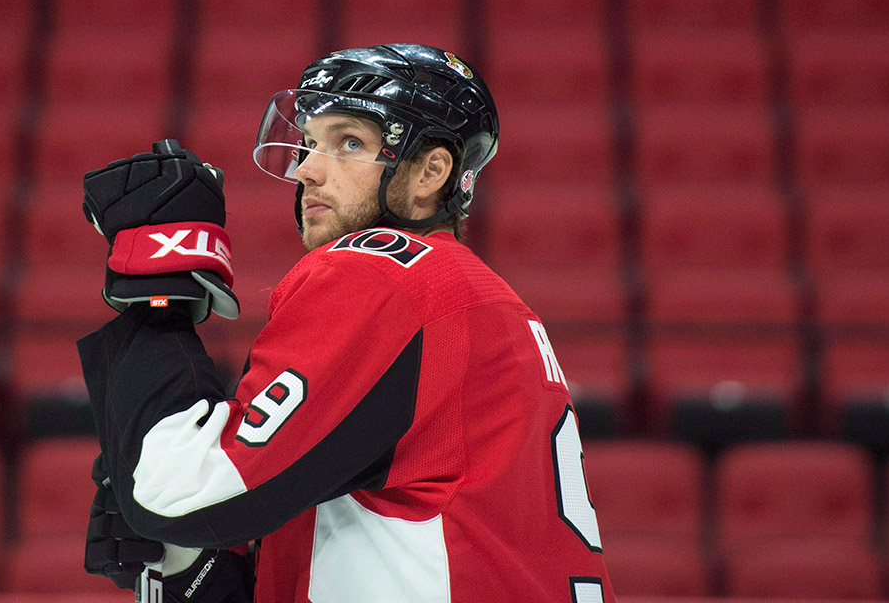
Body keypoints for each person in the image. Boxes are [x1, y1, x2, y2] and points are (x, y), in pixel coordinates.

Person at [77, 44, 615, 602]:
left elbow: (176, 491)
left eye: (349, 142)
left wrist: (158, 286)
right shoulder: (487, 303)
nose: (307, 169)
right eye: (309, 144)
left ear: (431, 171)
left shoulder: (386, 273)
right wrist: (190, 564)